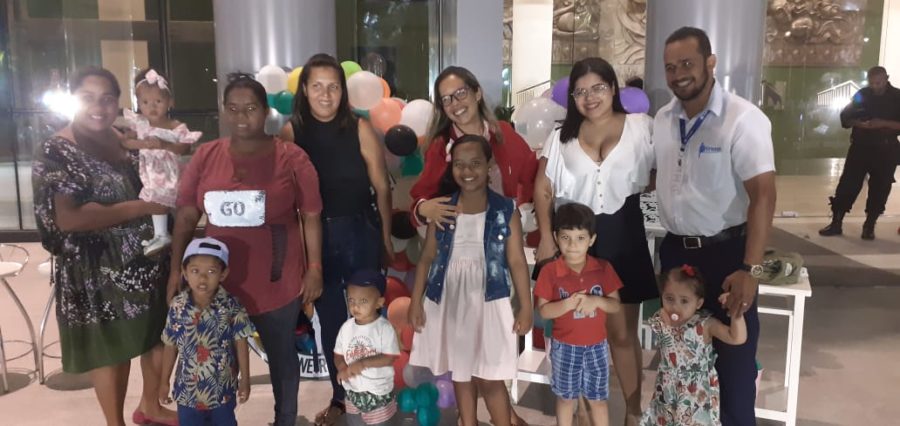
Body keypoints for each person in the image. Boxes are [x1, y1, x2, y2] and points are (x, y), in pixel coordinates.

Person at [170, 73, 324, 426]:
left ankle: (285, 419)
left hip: (276, 279)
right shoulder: (206, 155)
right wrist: (176, 269)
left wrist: (314, 268)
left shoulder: (291, 157)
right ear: (224, 110)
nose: (242, 117)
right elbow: (187, 215)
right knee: (215, 357)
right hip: (217, 282)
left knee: (281, 356)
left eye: (251, 108)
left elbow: (311, 215)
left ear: (266, 111)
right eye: (233, 108)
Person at [31, 66, 176, 426]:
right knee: (112, 350)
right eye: (88, 98)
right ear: (73, 100)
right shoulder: (57, 150)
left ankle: (151, 406)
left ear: (118, 103)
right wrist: (142, 207)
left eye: (107, 98)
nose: (98, 107)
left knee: (156, 336)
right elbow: (69, 218)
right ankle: (115, 423)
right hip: (96, 271)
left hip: (148, 259)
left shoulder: (125, 136)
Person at [651, 27, 776, 426]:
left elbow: (764, 196)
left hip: (726, 257)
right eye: (670, 67)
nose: (678, 75)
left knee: (734, 367)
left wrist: (751, 269)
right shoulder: (663, 119)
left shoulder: (743, 119)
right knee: (680, 364)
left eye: (687, 64)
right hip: (675, 253)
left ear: (710, 62)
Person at [533, 56, 656, 425]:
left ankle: (632, 412)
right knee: (575, 326)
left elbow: (663, 169)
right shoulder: (561, 136)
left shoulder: (641, 126)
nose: (590, 97)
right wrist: (546, 237)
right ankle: (584, 413)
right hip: (575, 237)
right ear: (572, 97)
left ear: (613, 88)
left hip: (623, 232)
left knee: (621, 331)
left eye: (598, 88)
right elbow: (543, 187)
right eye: (580, 91)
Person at [280, 53, 393, 425]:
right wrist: (301, 255)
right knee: (331, 323)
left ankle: (375, 394)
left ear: (343, 91)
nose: (325, 95)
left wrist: (386, 239)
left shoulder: (360, 128)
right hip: (318, 240)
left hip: (361, 232)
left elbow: (382, 187)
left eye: (333, 87)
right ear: (304, 90)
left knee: (369, 317)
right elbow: (289, 201)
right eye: (317, 86)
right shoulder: (291, 133)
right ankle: (341, 398)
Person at [408, 135, 533, 426]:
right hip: (450, 300)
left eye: (475, 163)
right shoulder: (443, 209)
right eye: (459, 164)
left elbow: (516, 261)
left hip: (490, 301)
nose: (467, 171)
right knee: (461, 372)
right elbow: (427, 258)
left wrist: (526, 307)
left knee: (490, 376)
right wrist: (415, 302)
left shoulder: (505, 210)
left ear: (489, 165)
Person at [409, 66, 537, 230]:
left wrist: (522, 212)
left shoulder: (503, 132)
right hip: (462, 238)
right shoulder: (440, 145)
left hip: (506, 234)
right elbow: (422, 197)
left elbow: (531, 176)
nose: (455, 103)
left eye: (461, 93)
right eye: (446, 99)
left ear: (477, 93)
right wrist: (423, 208)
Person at [534, 202, 622, 426]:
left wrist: (596, 301)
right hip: (564, 347)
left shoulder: (603, 268)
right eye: (566, 238)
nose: (573, 245)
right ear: (556, 237)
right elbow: (543, 311)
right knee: (565, 398)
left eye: (580, 238)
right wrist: (567, 304)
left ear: (592, 239)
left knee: (598, 400)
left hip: (597, 347)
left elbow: (615, 305)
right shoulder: (549, 271)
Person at [159, 237, 253, 426]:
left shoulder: (232, 306)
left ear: (223, 274)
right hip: (188, 393)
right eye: (195, 271)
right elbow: (170, 345)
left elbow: (241, 342)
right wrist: (164, 381)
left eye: (211, 271)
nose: (202, 278)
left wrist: (245, 379)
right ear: (185, 272)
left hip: (222, 390)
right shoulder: (178, 307)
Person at [641, 265, 747, 426]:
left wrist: (735, 312)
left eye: (684, 301)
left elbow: (736, 338)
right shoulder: (661, 320)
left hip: (696, 395)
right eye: (669, 298)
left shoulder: (704, 325)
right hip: (667, 392)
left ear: (698, 303)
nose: (675, 306)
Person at [120, 68, 201, 255]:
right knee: (155, 200)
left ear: (170, 102)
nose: (152, 107)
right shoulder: (140, 124)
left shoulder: (175, 126)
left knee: (166, 201)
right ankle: (160, 234)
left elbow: (184, 148)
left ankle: (172, 237)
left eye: (158, 101)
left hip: (168, 172)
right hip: (150, 171)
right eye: (145, 102)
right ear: (138, 103)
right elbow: (125, 142)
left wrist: (164, 144)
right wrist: (144, 144)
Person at [818, 66, 900, 240]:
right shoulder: (863, 94)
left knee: (880, 188)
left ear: (886, 78)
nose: (875, 86)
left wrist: (883, 123)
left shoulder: (897, 97)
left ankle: (869, 225)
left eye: (878, 83)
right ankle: (836, 222)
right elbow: (845, 117)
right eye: (872, 83)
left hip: (886, 149)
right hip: (860, 147)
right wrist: (858, 123)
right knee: (848, 184)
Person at [334, 269, 401, 426]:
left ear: (379, 302)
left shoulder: (384, 328)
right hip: (353, 392)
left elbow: (389, 357)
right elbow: (338, 354)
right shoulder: (346, 328)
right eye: (351, 300)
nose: (355, 306)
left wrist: (363, 363)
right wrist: (342, 367)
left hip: (378, 393)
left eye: (363, 301)